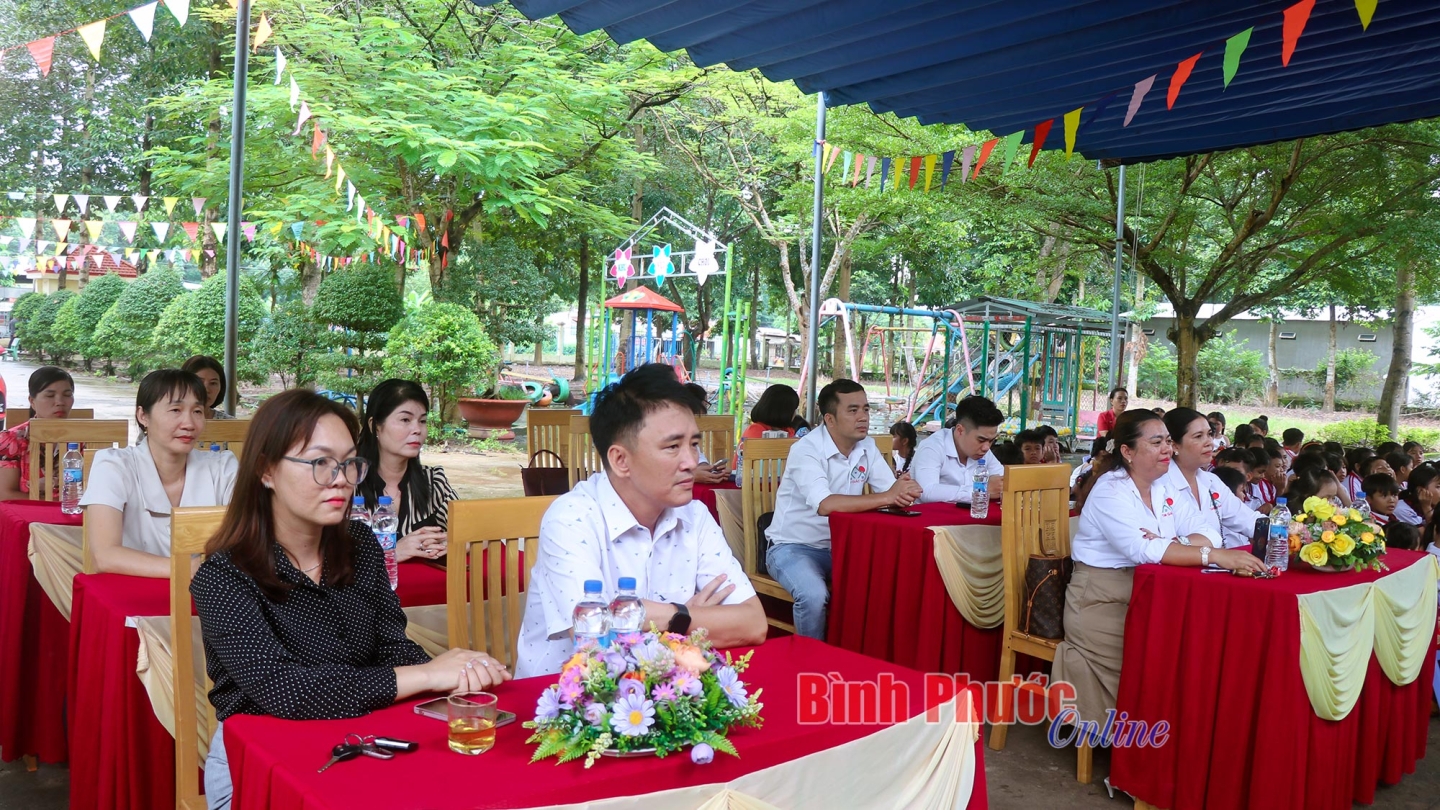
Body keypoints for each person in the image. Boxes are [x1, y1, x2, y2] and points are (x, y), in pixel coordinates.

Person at [191, 389, 508, 810]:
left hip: (361, 736)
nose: (340, 477)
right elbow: (284, 690)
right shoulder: (223, 575)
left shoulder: (360, 544)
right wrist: (428, 675)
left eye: (348, 463)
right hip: (260, 761)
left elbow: (391, 645)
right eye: (320, 462)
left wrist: (451, 678)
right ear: (266, 470)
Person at [515, 364, 765, 677]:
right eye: (673, 447)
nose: (692, 462)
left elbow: (754, 623)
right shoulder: (571, 519)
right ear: (620, 460)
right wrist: (690, 619)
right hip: (564, 704)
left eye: (694, 444)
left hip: (668, 697)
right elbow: (597, 651)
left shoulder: (695, 516)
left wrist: (661, 615)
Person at [1053, 409, 1265, 727]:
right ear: (1127, 451)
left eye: (1167, 441)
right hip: (1102, 598)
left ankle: (1171, 743)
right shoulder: (1111, 490)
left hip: (1152, 590)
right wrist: (1214, 556)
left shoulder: (1162, 486)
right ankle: (1144, 747)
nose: (1167, 449)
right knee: (1163, 657)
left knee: (1199, 644)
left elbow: (1208, 531)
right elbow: (1143, 549)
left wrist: (1171, 540)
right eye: (1156, 442)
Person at [765, 379, 922, 640]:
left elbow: (893, 491)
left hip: (847, 545)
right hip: (793, 546)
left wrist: (906, 491)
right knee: (813, 595)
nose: (863, 417)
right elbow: (826, 505)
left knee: (891, 585)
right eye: (853, 410)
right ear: (830, 419)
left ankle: (860, 658)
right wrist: (889, 496)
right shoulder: (806, 450)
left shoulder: (866, 446)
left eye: (866, 409)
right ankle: (813, 665)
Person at [83, 370, 239, 578]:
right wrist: (187, 569)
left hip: (209, 600)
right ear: (143, 416)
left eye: (197, 411)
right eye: (175, 410)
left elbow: (243, 545)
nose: (189, 424)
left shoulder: (223, 467)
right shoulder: (113, 465)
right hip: (134, 598)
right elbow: (104, 556)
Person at [354, 380, 459, 563]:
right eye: (405, 420)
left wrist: (455, 542)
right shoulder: (347, 483)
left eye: (423, 421)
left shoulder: (433, 481)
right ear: (375, 426)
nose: (417, 430)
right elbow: (323, 556)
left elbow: (479, 531)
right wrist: (392, 552)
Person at [1162, 408, 1265, 549]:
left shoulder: (1212, 481)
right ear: (1174, 445)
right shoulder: (1159, 484)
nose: (1209, 442)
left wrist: (1293, 531)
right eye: (1198, 436)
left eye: (1210, 434)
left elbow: (1249, 521)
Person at [912, 395, 1006, 504]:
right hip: (933, 519)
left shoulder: (983, 450)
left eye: (991, 441)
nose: (986, 447)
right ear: (960, 430)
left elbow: (1004, 480)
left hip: (973, 518)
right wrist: (980, 490)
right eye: (981, 440)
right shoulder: (932, 447)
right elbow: (926, 491)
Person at [0, 366, 75, 501]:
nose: (60, 402)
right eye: (50, 395)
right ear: (32, 401)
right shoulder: (11, 440)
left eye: (67, 395)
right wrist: (56, 504)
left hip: (77, 517)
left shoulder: (87, 438)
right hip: (27, 515)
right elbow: (5, 494)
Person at [732, 384, 799, 472]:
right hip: (750, 482)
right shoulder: (756, 432)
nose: (795, 413)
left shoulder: (787, 431)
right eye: (794, 409)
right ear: (785, 411)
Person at [181, 355, 234, 420]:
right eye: (199, 382)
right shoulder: (169, 421)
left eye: (213, 383)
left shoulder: (231, 424)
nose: (206, 390)